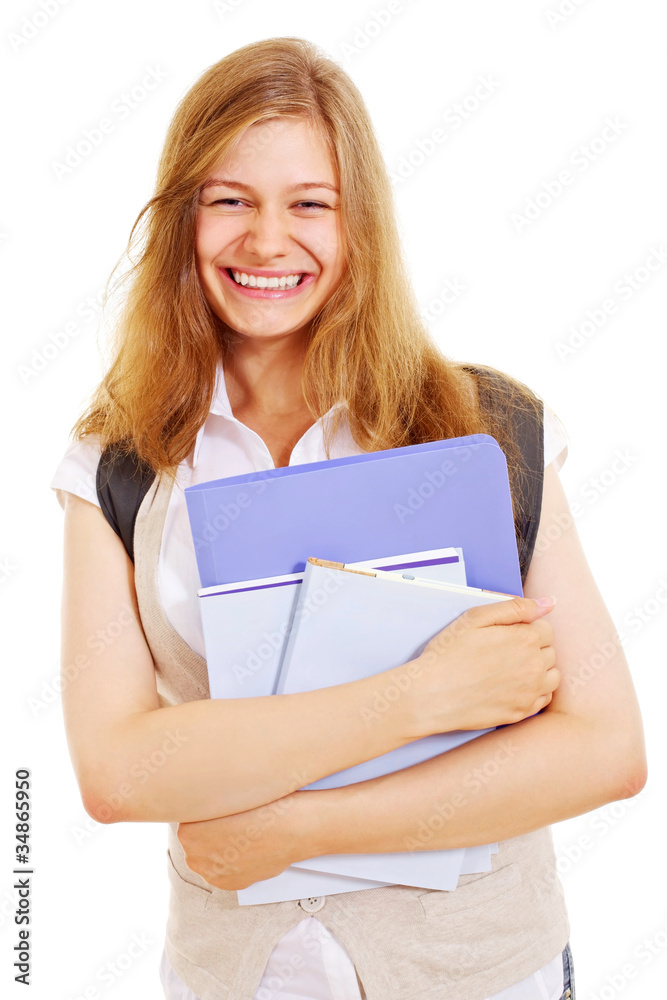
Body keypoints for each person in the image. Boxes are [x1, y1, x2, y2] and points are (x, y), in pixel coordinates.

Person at [50, 36, 646, 1000]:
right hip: (242, 979)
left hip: (485, 973)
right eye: (229, 200)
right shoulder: (118, 464)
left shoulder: (485, 430)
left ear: (359, 222)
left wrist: (296, 827)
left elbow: (605, 751)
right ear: (182, 220)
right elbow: (118, 772)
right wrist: (425, 695)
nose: (267, 242)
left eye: (309, 204)